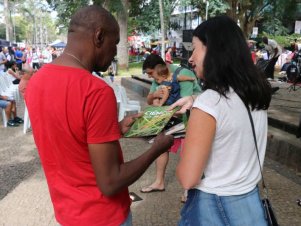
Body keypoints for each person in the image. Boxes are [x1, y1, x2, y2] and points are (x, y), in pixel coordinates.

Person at [25, 6, 173, 226]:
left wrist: (114, 128)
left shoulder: (36, 81)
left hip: (67, 214)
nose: (115, 51)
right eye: (115, 43)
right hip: (104, 216)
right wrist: (156, 149)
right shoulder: (96, 91)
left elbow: (70, 137)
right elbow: (111, 183)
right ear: (99, 36)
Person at [171, 16, 271, 225]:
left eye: (196, 48)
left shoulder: (210, 103)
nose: (191, 58)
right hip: (249, 202)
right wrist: (194, 99)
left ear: (213, 51)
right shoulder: (254, 94)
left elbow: (187, 177)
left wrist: (170, 141)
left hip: (212, 206)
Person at [140, 54, 201, 194]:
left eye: (150, 73)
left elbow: (184, 104)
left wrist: (160, 110)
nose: (150, 77)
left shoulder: (182, 73)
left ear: (161, 68)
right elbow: (150, 100)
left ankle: (188, 189)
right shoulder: (158, 76)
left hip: (190, 114)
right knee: (161, 145)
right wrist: (155, 96)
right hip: (171, 113)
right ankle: (159, 182)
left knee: (187, 150)